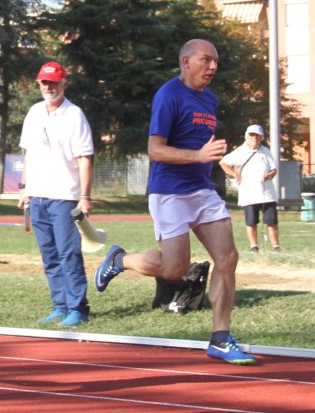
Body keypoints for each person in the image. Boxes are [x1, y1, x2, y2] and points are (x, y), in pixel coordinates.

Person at [94, 39, 256, 365]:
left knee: (228, 258)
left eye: (216, 61)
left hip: (202, 190)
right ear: (186, 61)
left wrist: (206, 160)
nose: (213, 67)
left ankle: (220, 338)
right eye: (206, 60)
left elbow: (201, 144)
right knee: (175, 269)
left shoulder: (210, 99)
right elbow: (155, 149)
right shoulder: (168, 95)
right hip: (169, 191)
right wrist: (198, 155)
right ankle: (120, 259)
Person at [17, 61, 94, 328]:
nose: (48, 87)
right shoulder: (34, 112)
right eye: (44, 82)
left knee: (68, 254)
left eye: (53, 82)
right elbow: (28, 153)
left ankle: (78, 308)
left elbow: (84, 158)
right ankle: (59, 305)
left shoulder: (74, 115)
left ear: (64, 83)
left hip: (64, 196)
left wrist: (84, 197)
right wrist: (24, 189)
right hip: (37, 196)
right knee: (49, 255)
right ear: (38, 84)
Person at [220, 124, 280, 252]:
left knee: (271, 220)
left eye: (257, 135)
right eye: (252, 135)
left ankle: (276, 246)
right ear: (247, 136)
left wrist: (269, 175)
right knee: (251, 221)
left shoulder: (266, 151)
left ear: (261, 137)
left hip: (267, 193)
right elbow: (223, 162)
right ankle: (254, 246)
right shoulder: (240, 151)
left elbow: (274, 169)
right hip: (249, 193)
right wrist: (235, 174)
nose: (254, 138)